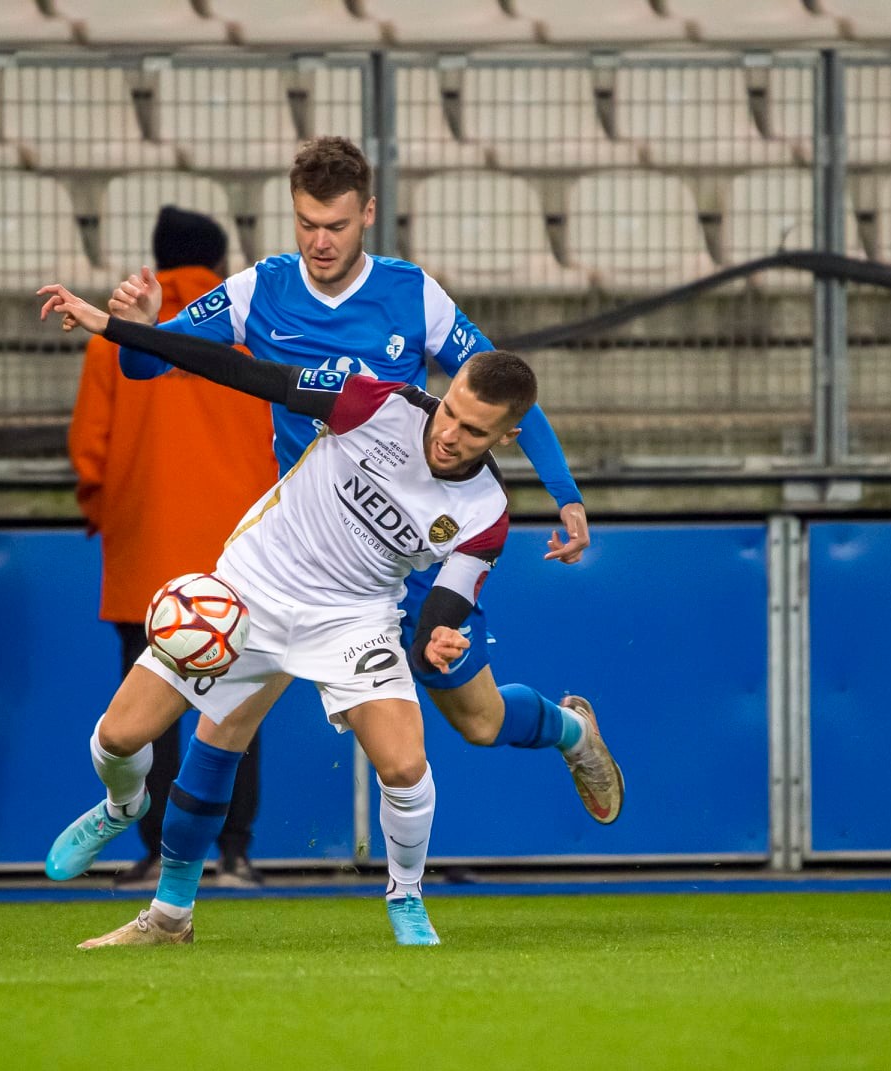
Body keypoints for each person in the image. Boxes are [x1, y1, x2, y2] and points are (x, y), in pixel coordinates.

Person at [106, 136, 624, 824]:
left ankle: (571, 732)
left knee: (478, 721)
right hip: (304, 550)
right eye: (307, 225)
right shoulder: (261, 289)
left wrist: (566, 495)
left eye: (337, 226)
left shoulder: (411, 294)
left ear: (368, 214)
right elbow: (148, 369)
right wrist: (141, 331)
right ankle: (170, 910)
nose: (320, 242)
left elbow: (503, 395)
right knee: (222, 721)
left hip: (411, 544)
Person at [38, 279, 543, 947]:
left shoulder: (485, 513)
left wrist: (441, 639)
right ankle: (121, 805)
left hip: (354, 620)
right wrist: (114, 328)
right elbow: (240, 369)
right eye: (448, 410)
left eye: (472, 429)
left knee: (404, 767)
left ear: (505, 437)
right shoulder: (375, 404)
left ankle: (406, 898)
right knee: (117, 738)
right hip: (250, 590)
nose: (447, 433)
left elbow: (445, 606)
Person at [66, 206, 278, 889]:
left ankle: (157, 852)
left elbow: (88, 451)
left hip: (146, 553)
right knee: (236, 704)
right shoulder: (252, 335)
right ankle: (235, 852)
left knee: (148, 708)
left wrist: (109, 517)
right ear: (219, 263)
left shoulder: (120, 336)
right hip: (240, 558)